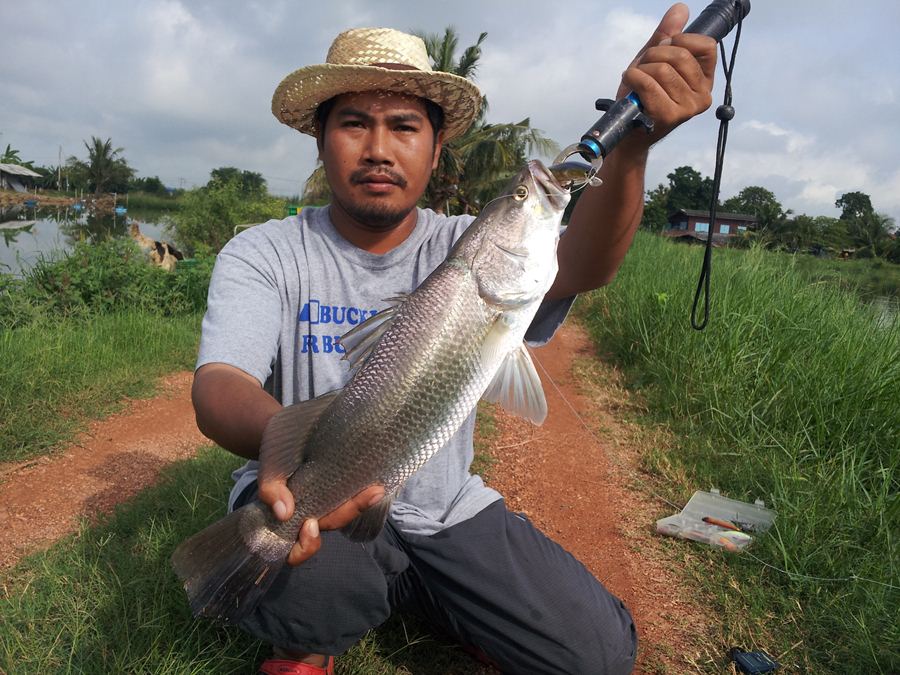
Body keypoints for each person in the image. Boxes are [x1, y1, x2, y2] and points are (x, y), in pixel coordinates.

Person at [192, 5, 716, 674]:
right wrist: (282, 443)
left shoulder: (458, 244)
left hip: (443, 510)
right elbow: (219, 385)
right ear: (320, 140)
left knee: (598, 654)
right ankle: (309, 639)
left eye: (405, 126)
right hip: (307, 492)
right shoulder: (263, 252)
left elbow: (586, 263)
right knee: (314, 587)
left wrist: (634, 143)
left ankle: (432, 593)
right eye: (354, 123)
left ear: (436, 150)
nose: (379, 148)